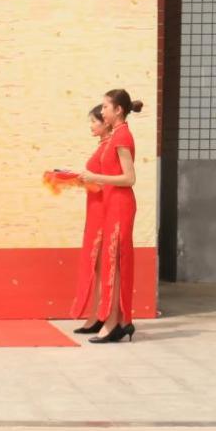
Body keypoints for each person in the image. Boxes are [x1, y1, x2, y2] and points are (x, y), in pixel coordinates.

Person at [80, 89, 142, 342]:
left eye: (106, 107)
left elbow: (129, 178)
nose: (102, 110)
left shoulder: (122, 136)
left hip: (120, 204)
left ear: (118, 110)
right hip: (111, 203)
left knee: (115, 263)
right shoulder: (115, 135)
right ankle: (115, 319)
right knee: (110, 262)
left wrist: (96, 177)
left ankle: (115, 321)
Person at [69, 105, 109, 333]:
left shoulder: (109, 147)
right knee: (97, 265)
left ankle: (100, 315)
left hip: (102, 208)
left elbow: (110, 180)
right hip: (94, 207)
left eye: (94, 121)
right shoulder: (103, 146)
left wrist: (90, 178)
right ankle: (96, 315)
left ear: (105, 123)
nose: (91, 126)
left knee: (101, 264)